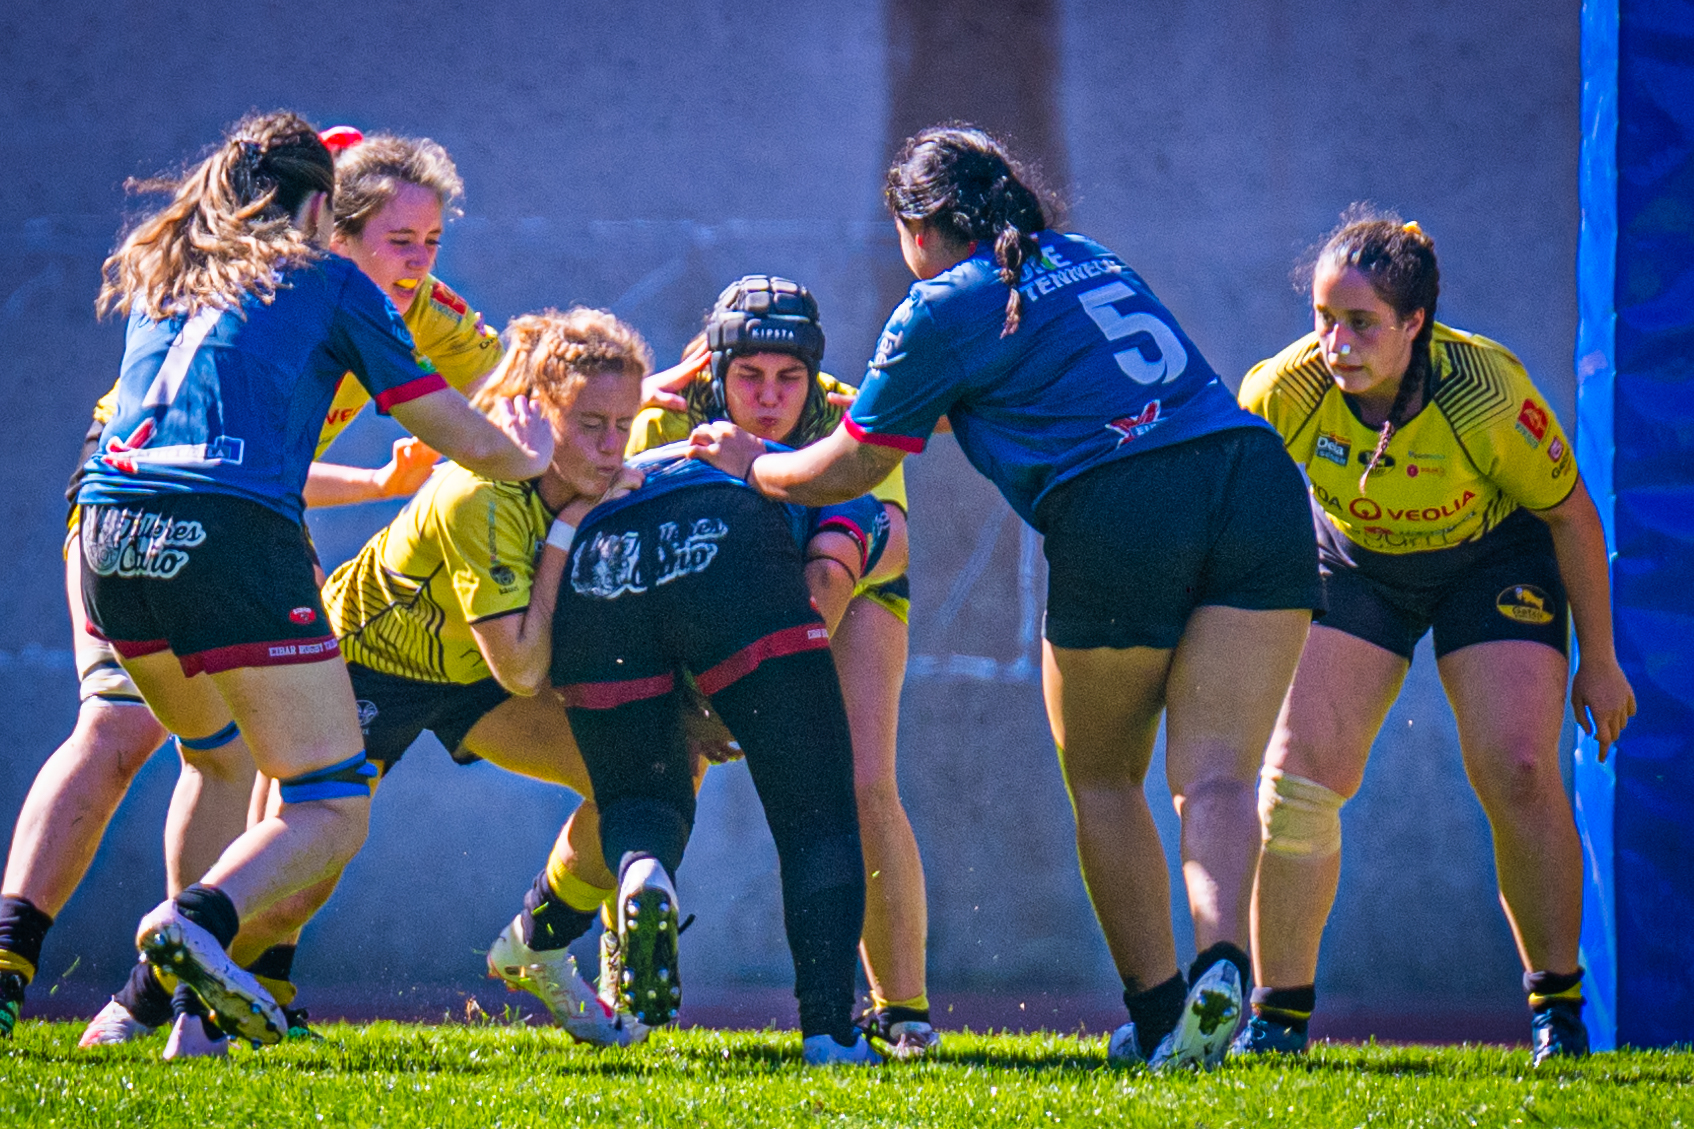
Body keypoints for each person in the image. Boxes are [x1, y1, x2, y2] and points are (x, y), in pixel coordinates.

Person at [689, 125, 1322, 1071]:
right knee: (1219, 774)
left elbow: (856, 459)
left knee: (1105, 775)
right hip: (1256, 482)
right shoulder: (1085, 256)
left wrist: (761, 464)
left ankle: (1159, 1019)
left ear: (915, 225)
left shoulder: (939, 304)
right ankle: (1224, 960)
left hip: (1123, 502)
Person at [50, 110, 549, 1053]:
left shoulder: (173, 271)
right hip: (228, 535)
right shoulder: (333, 282)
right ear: (326, 207)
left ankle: (157, 1016)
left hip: (108, 535)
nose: (413, 258)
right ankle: (188, 926)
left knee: (217, 757)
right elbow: (447, 421)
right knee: (328, 798)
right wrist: (526, 459)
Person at [1233, 209, 1636, 1065]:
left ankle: (1556, 1013)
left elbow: (1570, 514)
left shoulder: (1485, 393)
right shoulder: (1285, 389)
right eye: (1323, 319)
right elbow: (1238, 514)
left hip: (1490, 559)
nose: (1336, 344)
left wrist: (1598, 659)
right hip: (1357, 560)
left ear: (1415, 324)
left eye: (1362, 323)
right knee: (1295, 782)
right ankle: (1277, 1022)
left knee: (1520, 769)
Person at [562, 275, 937, 1057]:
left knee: (862, 779)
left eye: (788, 378)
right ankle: (624, 976)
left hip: (843, 573)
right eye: (749, 378)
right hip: (710, 589)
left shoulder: (848, 410)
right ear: (716, 374)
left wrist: (756, 696)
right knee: (657, 770)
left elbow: (884, 540)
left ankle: (903, 1009)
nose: (770, 396)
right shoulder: (666, 412)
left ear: (814, 376)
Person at [522, 428, 893, 1066]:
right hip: (733, 550)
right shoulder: (826, 461)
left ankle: (642, 872)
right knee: (817, 810)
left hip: (593, 557)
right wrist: (752, 699)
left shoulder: (640, 444)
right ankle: (830, 1033)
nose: (770, 399)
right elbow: (831, 574)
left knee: (641, 797)